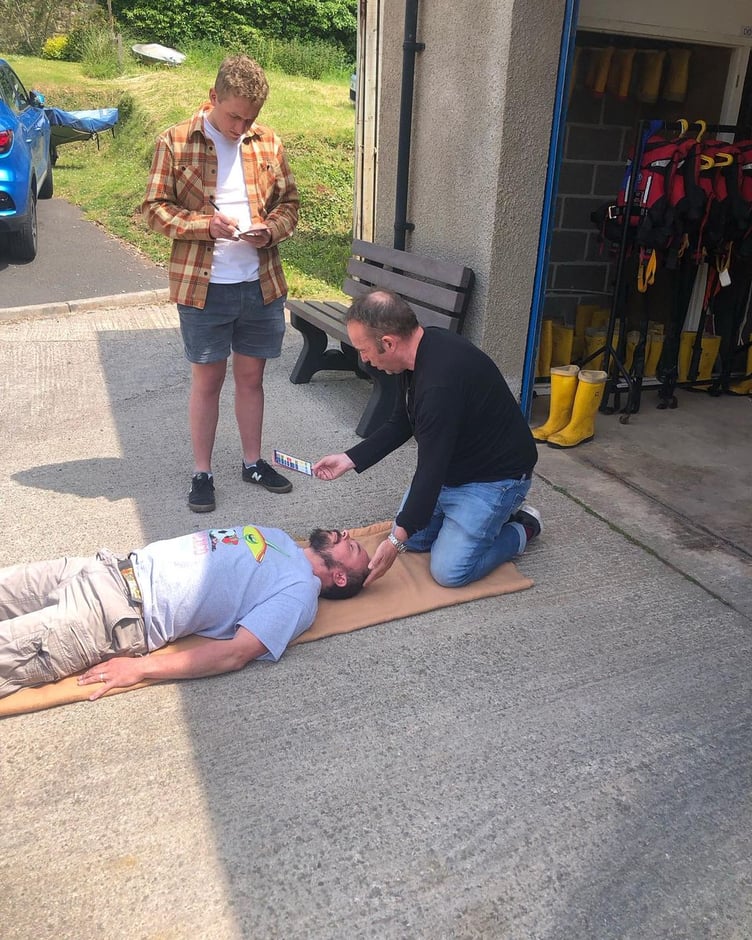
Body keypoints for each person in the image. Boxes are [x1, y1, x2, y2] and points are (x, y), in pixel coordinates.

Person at [143, 54, 299, 513]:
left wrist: (271, 230)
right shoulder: (174, 141)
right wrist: (204, 225)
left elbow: (289, 203)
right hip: (203, 286)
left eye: (250, 119)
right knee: (207, 380)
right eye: (234, 116)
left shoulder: (268, 142)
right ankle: (202, 473)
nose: (241, 127)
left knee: (252, 379)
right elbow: (154, 209)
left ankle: (253, 463)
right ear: (213, 97)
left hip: (259, 283)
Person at [313, 289, 541, 588]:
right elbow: (401, 422)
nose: (363, 359)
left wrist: (395, 541)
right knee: (415, 540)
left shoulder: (440, 386)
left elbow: (431, 469)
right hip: (454, 468)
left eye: (363, 350)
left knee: (449, 571)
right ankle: (480, 522)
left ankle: (522, 526)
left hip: (495, 479)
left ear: (388, 342)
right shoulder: (417, 353)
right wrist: (349, 459)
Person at [0, 525, 369, 701]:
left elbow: (235, 653)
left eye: (352, 548)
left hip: (115, 614)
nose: (347, 535)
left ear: (340, 577)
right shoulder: (283, 540)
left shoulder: (300, 594)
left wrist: (141, 668)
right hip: (103, 567)